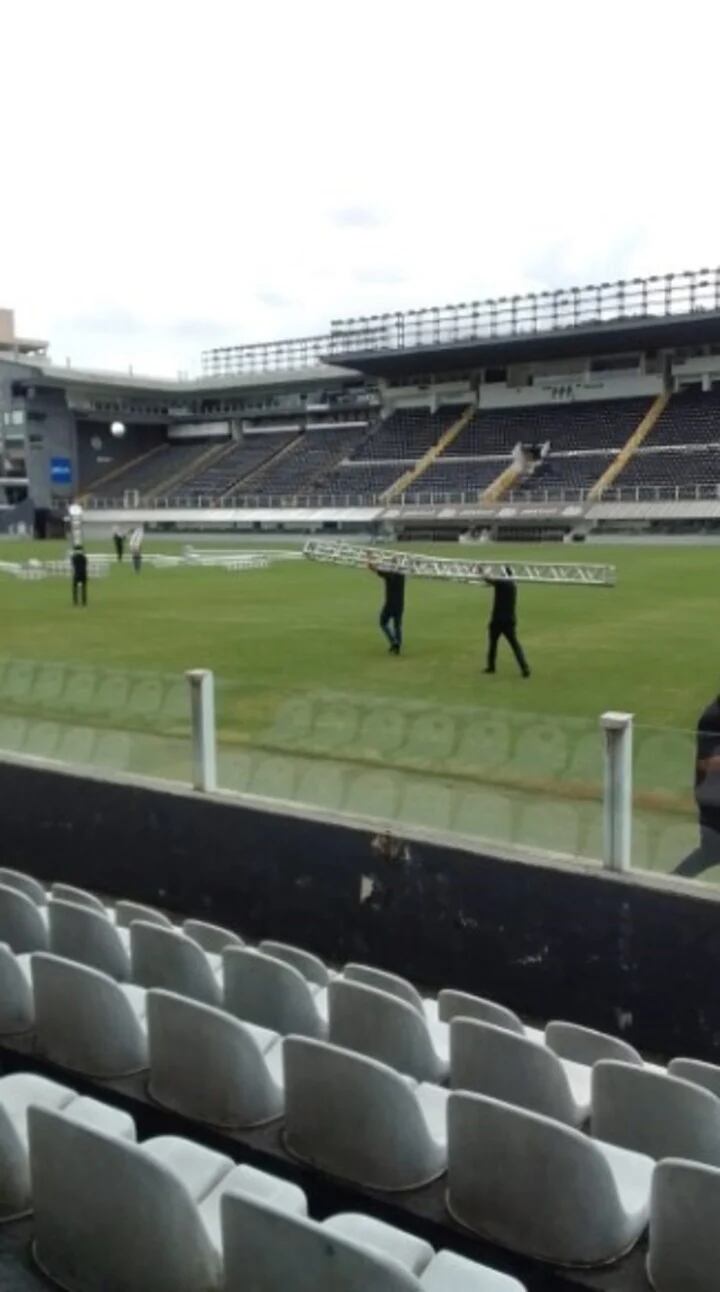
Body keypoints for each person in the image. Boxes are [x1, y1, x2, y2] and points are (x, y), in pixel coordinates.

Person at [674, 694, 720, 877]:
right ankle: (673, 883)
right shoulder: (713, 717)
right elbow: (705, 763)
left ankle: (673, 883)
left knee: (712, 852)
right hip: (713, 799)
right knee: (712, 851)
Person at [483, 567, 530, 677]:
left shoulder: (501, 583)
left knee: (493, 644)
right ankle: (525, 668)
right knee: (515, 645)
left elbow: (488, 579)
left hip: (497, 620)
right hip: (510, 620)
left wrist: (486, 571)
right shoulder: (513, 585)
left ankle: (491, 667)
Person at [370, 562, 405, 654]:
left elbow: (374, 568)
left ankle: (394, 642)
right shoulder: (402, 575)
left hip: (390, 604)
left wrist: (369, 557)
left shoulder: (389, 575)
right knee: (397, 626)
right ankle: (397, 645)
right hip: (400, 604)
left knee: (383, 622)